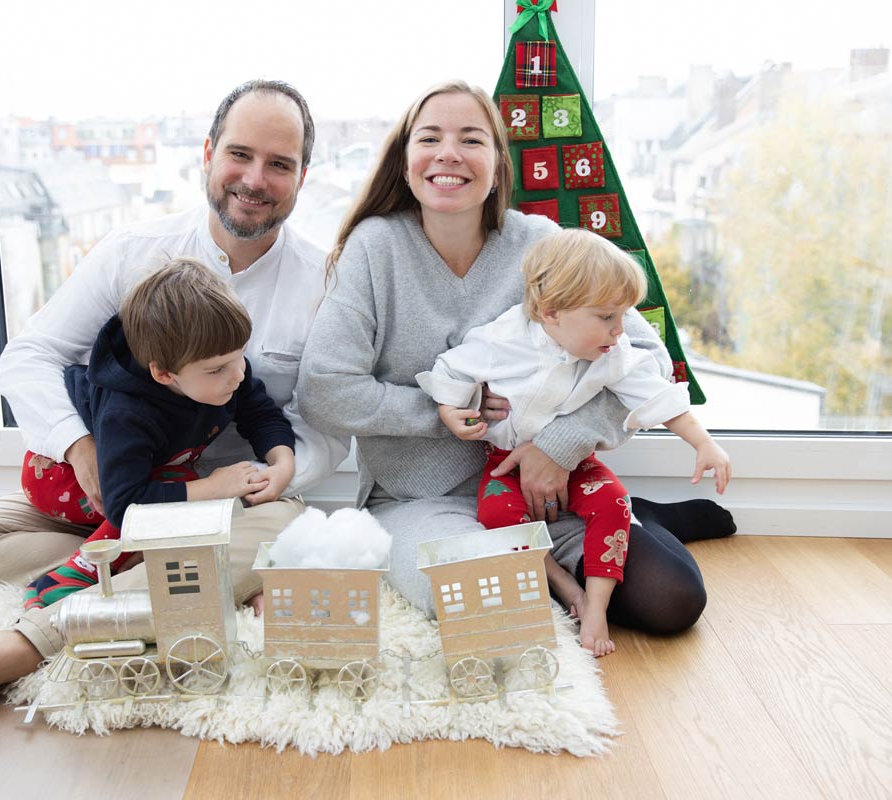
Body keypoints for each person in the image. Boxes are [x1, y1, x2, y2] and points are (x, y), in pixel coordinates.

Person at [0, 79, 348, 737]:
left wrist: (283, 468)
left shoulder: (322, 281)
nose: (255, 178)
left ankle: (23, 642)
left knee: (289, 531)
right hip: (119, 490)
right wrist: (82, 451)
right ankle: (163, 577)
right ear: (207, 153)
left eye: (279, 164)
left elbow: (322, 421)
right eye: (240, 155)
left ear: (303, 175)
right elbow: (29, 356)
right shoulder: (134, 252)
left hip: (233, 507)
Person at [296, 79, 736, 642]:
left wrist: (560, 443)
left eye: (471, 140)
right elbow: (325, 389)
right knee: (488, 601)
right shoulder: (373, 248)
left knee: (673, 601)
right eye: (429, 138)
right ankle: (629, 522)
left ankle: (641, 517)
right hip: (421, 499)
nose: (449, 154)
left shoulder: (540, 243)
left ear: (498, 166)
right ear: (405, 163)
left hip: (548, 489)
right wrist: (443, 411)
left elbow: (642, 353)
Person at [416, 228, 732, 655]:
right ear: (551, 313)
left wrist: (704, 443)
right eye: (607, 317)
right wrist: (453, 408)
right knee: (496, 514)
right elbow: (450, 371)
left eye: (623, 315)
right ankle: (567, 589)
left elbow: (656, 392)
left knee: (614, 501)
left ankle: (597, 604)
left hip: (577, 464)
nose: (621, 330)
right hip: (505, 463)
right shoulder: (501, 341)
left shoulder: (613, 351)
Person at [22, 258, 295, 609]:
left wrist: (282, 462)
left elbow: (260, 413)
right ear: (165, 374)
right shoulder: (128, 412)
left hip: (135, 474)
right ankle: (66, 579)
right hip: (60, 478)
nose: (238, 375)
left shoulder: (224, 368)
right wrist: (213, 487)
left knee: (194, 498)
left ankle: (169, 564)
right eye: (217, 370)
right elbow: (122, 506)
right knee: (187, 493)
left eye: (240, 357)